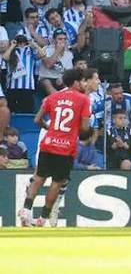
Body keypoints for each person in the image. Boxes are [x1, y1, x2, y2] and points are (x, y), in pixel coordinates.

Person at [17, 67, 97, 227]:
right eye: (82, 80)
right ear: (76, 82)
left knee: (39, 178)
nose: (85, 83)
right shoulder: (83, 99)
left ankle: (26, 209)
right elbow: (85, 128)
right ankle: (44, 217)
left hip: (48, 142)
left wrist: (51, 129)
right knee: (57, 182)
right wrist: (75, 128)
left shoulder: (53, 96)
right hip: (65, 147)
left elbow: (37, 119)